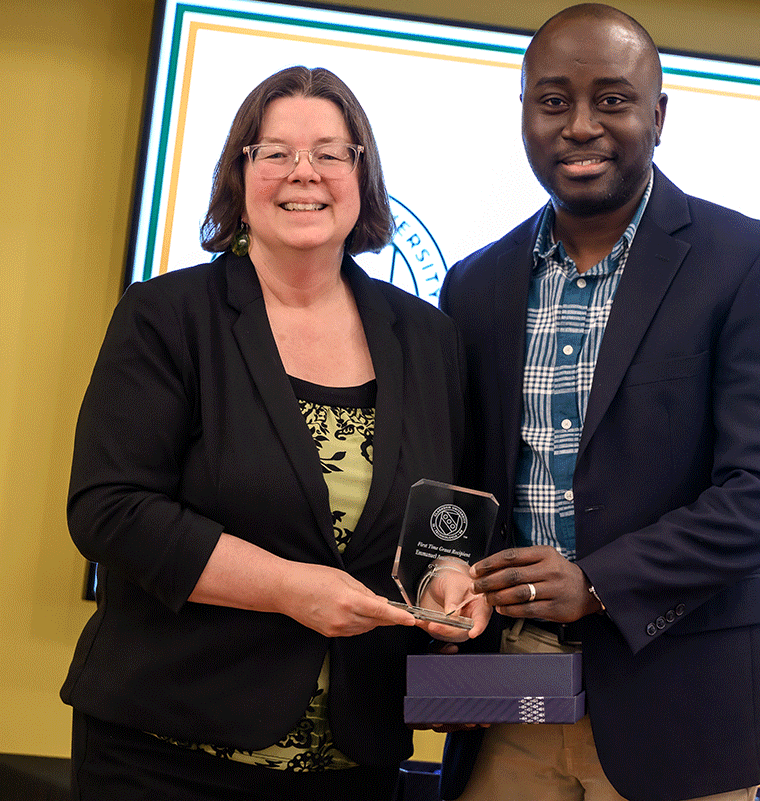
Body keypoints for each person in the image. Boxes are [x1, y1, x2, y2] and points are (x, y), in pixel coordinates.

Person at [61, 65, 482, 801]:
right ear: (240, 175)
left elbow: (439, 516)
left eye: (329, 152)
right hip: (164, 753)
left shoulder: (429, 337)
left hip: (355, 761)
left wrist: (445, 582)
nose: (303, 173)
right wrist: (289, 589)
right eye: (275, 151)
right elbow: (111, 510)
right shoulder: (168, 316)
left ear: (362, 175)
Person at [438, 4, 760, 801]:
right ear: (524, 116)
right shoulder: (474, 286)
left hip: (682, 708)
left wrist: (600, 581)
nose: (580, 126)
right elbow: (460, 496)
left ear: (659, 114)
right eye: (552, 101)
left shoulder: (754, 264)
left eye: (612, 99)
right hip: (507, 702)